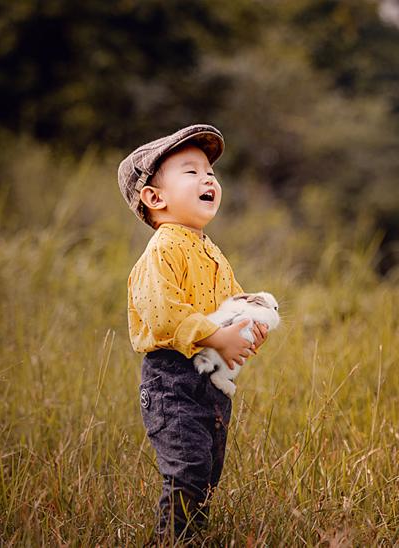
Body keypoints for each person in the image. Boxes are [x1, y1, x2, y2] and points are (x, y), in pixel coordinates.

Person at [119, 124, 269, 541]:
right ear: (155, 198)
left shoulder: (208, 249)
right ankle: (170, 540)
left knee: (206, 471)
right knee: (187, 467)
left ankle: (191, 535)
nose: (208, 179)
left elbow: (231, 301)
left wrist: (250, 322)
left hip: (211, 380)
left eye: (211, 173)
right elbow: (164, 314)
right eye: (192, 171)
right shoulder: (163, 249)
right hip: (173, 378)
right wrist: (217, 337)